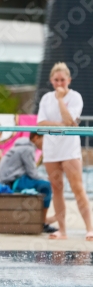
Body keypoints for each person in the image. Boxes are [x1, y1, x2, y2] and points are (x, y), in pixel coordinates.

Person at [37, 62, 93, 241]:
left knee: (78, 188)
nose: (59, 83)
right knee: (56, 188)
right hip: (51, 149)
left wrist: (61, 99)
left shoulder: (75, 97)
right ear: (51, 80)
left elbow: (70, 122)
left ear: (68, 79)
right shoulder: (46, 98)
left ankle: (90, 228)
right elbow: (41, 124)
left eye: (62, 79)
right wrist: (59, 125)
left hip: (69, 149)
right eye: (56, 80)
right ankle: (62, 230)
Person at [0, 133, 56, 233]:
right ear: (36, 138)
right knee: (46, 186)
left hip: (7, 180)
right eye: (45, 140)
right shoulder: (28, 149)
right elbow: (32, 173)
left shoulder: (21, 147)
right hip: (11, 182)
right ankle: (42, 223)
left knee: (43, 183)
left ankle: (40, 219)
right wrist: (47, 179)